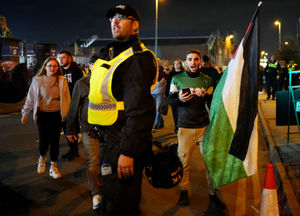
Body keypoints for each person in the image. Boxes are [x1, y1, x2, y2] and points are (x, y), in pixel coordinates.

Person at [88, 5, 157, 215]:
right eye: (111, 19)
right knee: (112, 194)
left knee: (121, 202)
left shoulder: (137, 58)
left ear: (135, 25)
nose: (114, 22)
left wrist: (128, 151)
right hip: (109, 138)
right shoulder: (111, 54)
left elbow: (141, 110)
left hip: (122, 142)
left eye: (121, 18)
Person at [168, 49, 226, 210]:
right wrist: (177, 98)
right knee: (184, 163)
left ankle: (213, 194)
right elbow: (170, 100)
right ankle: (184, 191)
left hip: (203, 128)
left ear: (200, 62)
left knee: (210, 163)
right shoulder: (176, 78)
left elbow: (211, 103)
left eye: (196, 59)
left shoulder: (207, 80)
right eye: (190, 59)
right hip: (185, 129)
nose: (193, 62)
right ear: (185, 62)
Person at [21, 57, 70, 179]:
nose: (52, 68)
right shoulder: (37, 80)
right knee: (43, 140)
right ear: (45, 67)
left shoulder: (62, 81)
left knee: (55, 141)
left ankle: (54, 166)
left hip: (57, 115)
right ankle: (42, 157)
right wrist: (25, 113)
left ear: (58, 68)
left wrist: (68, 116)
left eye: (55, 66)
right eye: (50, 66)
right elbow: (30, 98)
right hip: (42, 115)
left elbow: (67, 100)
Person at [65, 55, 103, 211]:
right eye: (96, 65)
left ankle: (106, 188)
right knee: (94, 163)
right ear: (90, 66)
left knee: (108, 162)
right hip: (89, 130)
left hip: (109, 131)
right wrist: (70, 129)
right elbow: (74, 108)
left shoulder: (112, 83)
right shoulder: (82, 84)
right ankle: (96, 193)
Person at [58, 50, 83, 160]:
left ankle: (74, 151)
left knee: (72, 127)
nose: (61, 60)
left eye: (63, 57)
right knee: (66, 127)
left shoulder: (76, 70)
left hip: (74, 102)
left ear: (69, 58)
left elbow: (80, 87)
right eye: (60, 58)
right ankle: (73, 150)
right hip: (63, 102)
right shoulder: (60, 70)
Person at [165, 59, 185, 133]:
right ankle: (176, 127)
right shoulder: (171, 74)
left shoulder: (184, 73)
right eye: (175, 63)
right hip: (173, 96)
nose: (176, 65)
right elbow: (168, 85)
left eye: (177, 63)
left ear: (180, 64)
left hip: (182, 94)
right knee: (175, 112)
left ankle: (181, 126)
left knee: (182, 112)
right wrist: (166, 94)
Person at [151, 58, 167, 130]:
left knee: (157, 109)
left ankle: (155, 125)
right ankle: (161, 122)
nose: (156, 63)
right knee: (155, 109)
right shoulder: (151, 71)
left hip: (159, 93)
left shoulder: (163, 72)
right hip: (152, 93)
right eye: (155, 62)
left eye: (158, 62)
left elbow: (164, 82)